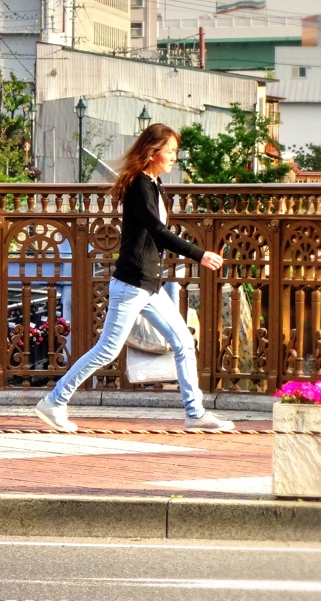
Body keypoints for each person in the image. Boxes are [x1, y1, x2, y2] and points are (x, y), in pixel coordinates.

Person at [35, 123, 235, 432]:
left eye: (175, 152)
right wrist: (200, 254)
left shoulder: (154, 184)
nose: (174, 158)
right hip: (131, 284)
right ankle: (54, 401)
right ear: (152, 152)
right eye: (170, 152)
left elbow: (155, 233)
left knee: (183, 343)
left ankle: (195, 414)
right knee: (107, 350)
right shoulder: (141, 186)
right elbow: (158, 231)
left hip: (149, 286)